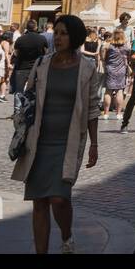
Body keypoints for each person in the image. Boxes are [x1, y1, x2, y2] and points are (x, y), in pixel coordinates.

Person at [12, 15, 103, 254]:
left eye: (64, 33)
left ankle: (66, 234)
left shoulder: (87, 67)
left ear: (75, 37)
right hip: (38, 140)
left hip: (68, 141)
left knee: (59, 199)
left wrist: (94, 144)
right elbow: (27, 96)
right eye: (57, 33)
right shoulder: (42, 64)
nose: (58, 38)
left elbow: (93, 107)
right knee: (39, 202)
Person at [11, 21, 45, 97]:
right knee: (35, 89)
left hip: (22, 67)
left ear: (27, 28)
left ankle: (18, 108)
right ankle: (32, 106)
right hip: (37, 68)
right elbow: (46, 52)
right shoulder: (42, 39)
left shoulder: (20, 39)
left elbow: (16, 53)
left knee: (19, 90)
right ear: (36, 27)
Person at [100, 28, 129, 120]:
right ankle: (119, 113)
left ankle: (106, 113)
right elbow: (128, 58)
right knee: (119, 91)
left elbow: (103, 58)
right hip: (121, 70)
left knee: (108, 91)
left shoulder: (108, 46)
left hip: (110, 69)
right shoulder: (126, 47)